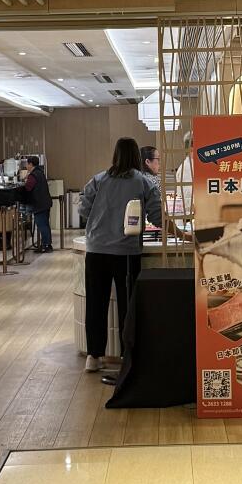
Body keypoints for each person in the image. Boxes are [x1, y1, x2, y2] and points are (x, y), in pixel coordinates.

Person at [79, 136, 161, 373]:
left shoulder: (99, 179)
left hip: (96, 250)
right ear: (137, 156)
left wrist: (102, 217)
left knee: (96, 304)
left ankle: (94, 356)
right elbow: (157, 215)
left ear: (115, 155)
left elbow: (83, 208)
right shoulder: (143, 182)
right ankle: (128, 355)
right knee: (128, 305)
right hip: (126, 252)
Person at [22, 155, 53, 253]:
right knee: (45, 225)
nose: (26, 166)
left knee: (42, 225)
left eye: (27, 164)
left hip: (39, 204)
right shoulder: (40, 172)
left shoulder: (33, 175)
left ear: (31, 164)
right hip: (45, 203)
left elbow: (27, 188)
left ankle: (46, 246)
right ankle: (47, 245)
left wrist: (25, 180)